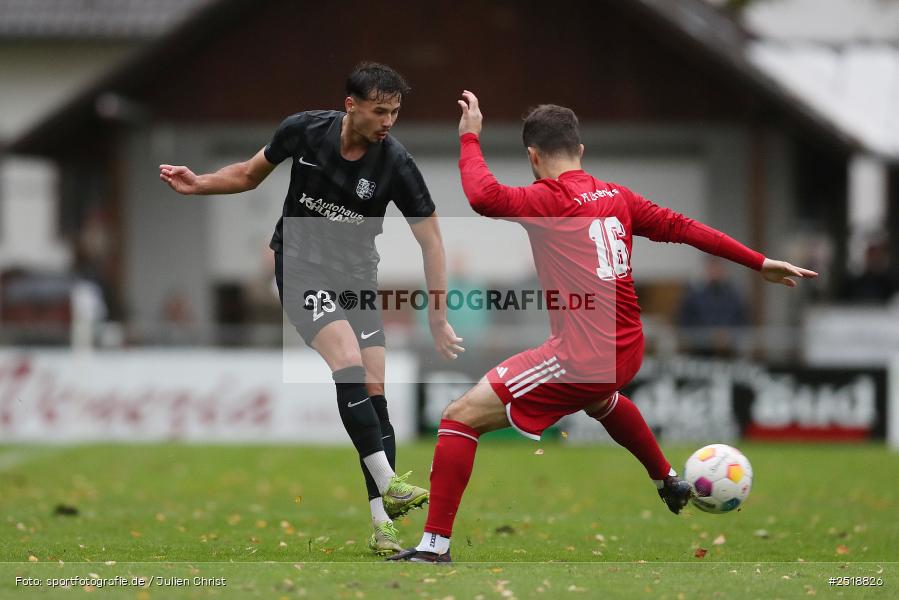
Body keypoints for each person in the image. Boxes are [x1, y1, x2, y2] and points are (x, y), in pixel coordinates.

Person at [388, 91, 817, 563]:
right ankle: (666, 478)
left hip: (580, 357)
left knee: (459, 417)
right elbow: (683, 226)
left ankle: (434, 546)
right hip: (626, 349)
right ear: (580, 150)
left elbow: (482, 196)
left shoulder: (548, 199)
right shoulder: (618, 197)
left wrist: (470, 138)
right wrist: (759, 262)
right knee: (599, 399)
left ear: (533, 157)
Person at [159, 63, 464, 555]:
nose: (388, 121)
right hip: (301, 270)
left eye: (395, 112)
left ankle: (382, 527)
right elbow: (248, 174)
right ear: (351, 105)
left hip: (357, 280)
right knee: (347, 361)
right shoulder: (304, 130)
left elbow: (431, 240)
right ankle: (389, 482)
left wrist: (437, 315)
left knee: (375, 393)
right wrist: (200, 183)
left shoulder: (397, 163)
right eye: (380, 111)